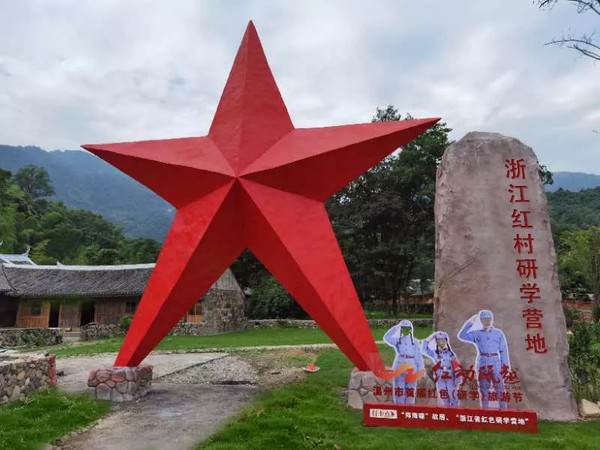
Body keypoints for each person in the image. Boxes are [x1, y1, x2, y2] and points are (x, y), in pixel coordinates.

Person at [458, 310, 510, 409]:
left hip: (495, 363)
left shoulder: (498, 333)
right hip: (482, 363)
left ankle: (503, 412)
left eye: (488, 319)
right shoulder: (477, 333)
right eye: (484, 319)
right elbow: (462, 335)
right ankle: (485, 412)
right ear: (481, 321)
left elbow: (503, 350)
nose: (487, 322)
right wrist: (470, 323)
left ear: (492, 320)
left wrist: (505, 367)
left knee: (500, 390)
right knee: (484, 391)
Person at [383, 319, 424, 405]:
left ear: (411, 329)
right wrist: (396, 327)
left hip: (412, 367)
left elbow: (418, 356)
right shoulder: (397, 340)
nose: (405, 330)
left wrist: (420, 370)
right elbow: (387, 337)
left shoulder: (415, 342)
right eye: (403, 328)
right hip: (399, 367)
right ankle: (400, 409)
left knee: (410, 391)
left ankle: (409, 410)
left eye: (407, 328)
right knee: (399, 391)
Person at [421, 331, 460, 406]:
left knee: (453, 396)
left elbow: (457, 367)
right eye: (439, 340)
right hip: (440, 377)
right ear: (436, 342)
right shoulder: (434, 353)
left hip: (450, 377)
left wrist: (457, 380)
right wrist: (430, 338)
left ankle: (454, 411)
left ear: (446, 341)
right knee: (444, 397)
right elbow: (423, 349)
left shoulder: (451, 354)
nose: (441, 342)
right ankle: (447, 411)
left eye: (443, 340)